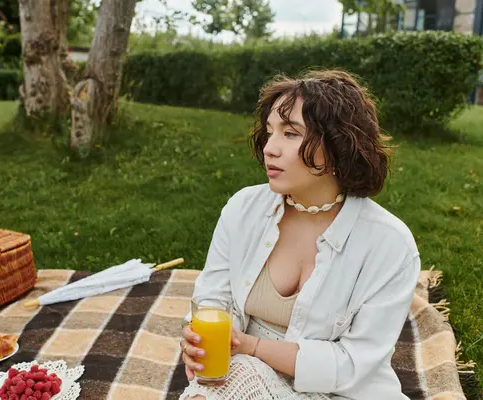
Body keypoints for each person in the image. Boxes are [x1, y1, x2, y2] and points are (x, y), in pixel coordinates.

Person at [178, 70, 421, 400]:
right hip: (243, 374)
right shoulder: (243, 208)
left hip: (339, 393)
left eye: (290, 134)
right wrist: (195, 336)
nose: (269, 149)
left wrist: (252, 346)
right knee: (232, 378)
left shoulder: (390, 246)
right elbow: (212, 297)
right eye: (269, 133)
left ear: (337, 145)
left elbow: (352, 365)